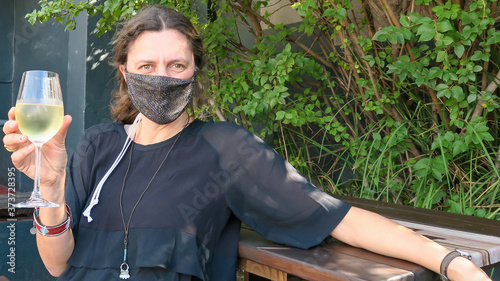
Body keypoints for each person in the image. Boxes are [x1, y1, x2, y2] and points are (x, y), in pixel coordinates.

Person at [2, 5, 492, 281]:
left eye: (177, 66)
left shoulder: (225, 149)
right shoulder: (98, 145)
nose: (162, 77)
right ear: (124, 71)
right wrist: (50, 185)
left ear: (196, 72)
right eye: (147, 67)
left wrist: (450, 263)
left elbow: (335, 216)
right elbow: (57, 263)